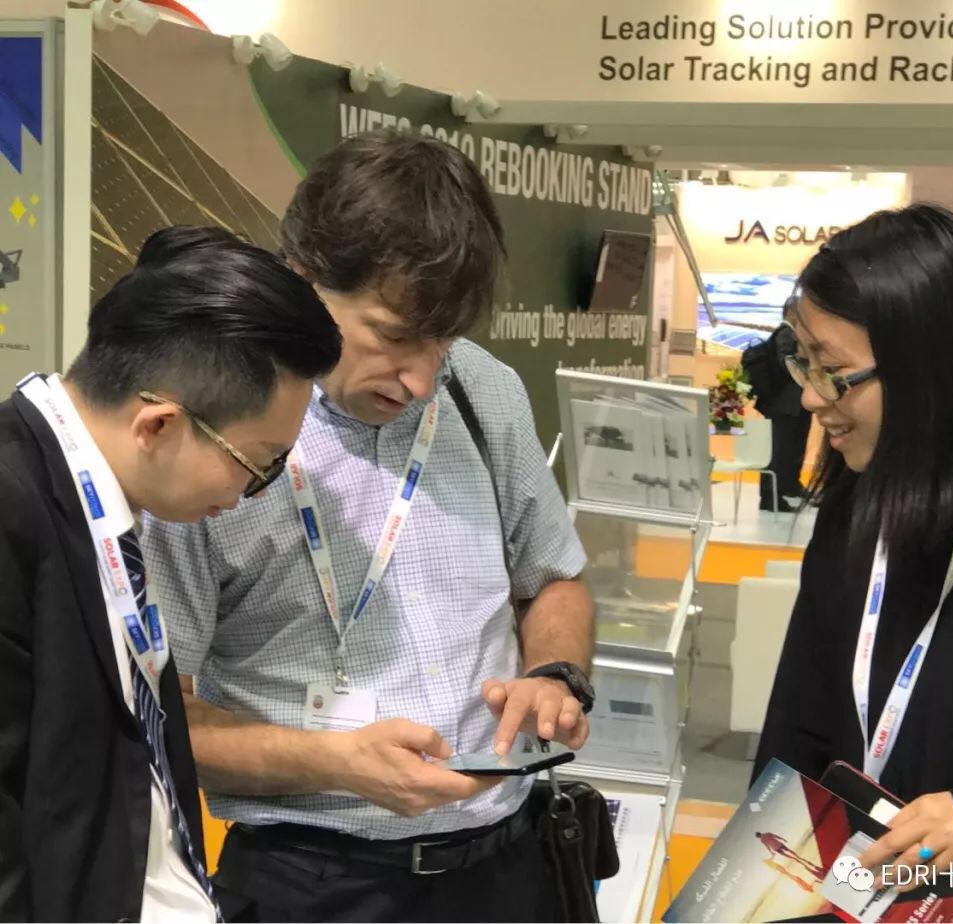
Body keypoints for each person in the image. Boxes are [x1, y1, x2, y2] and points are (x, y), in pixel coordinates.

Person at [143, 133, 596, 923]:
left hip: (509, 868)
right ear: (302, 279)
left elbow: (553, 579)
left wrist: (554, 676)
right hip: (314, 886)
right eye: (392, 335)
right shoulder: (211, 431)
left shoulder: (483, 392)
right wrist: (337, 763)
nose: (421, 379)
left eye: (443, 342)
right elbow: (156, 712)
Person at [0, 226, 342, 922]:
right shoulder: (14, 507)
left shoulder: (98, 507)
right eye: (257, 464)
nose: (253, 494)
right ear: (158, 425)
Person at [752, 203, 953, 921]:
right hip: (849, 899)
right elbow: (800, 729)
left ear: (933, 368)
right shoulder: (855, 509)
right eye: (802, 362)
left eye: (834, 372)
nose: (809, 396)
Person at [742, 304, 812, 513]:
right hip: (785, 404)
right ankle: (771, 498)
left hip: (793, 404)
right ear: (791, 312)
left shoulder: (789, 333)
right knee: (779, 451)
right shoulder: (786, 333)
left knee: (793, 448)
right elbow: (786, 363)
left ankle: (789, 486)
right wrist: (807, 372)